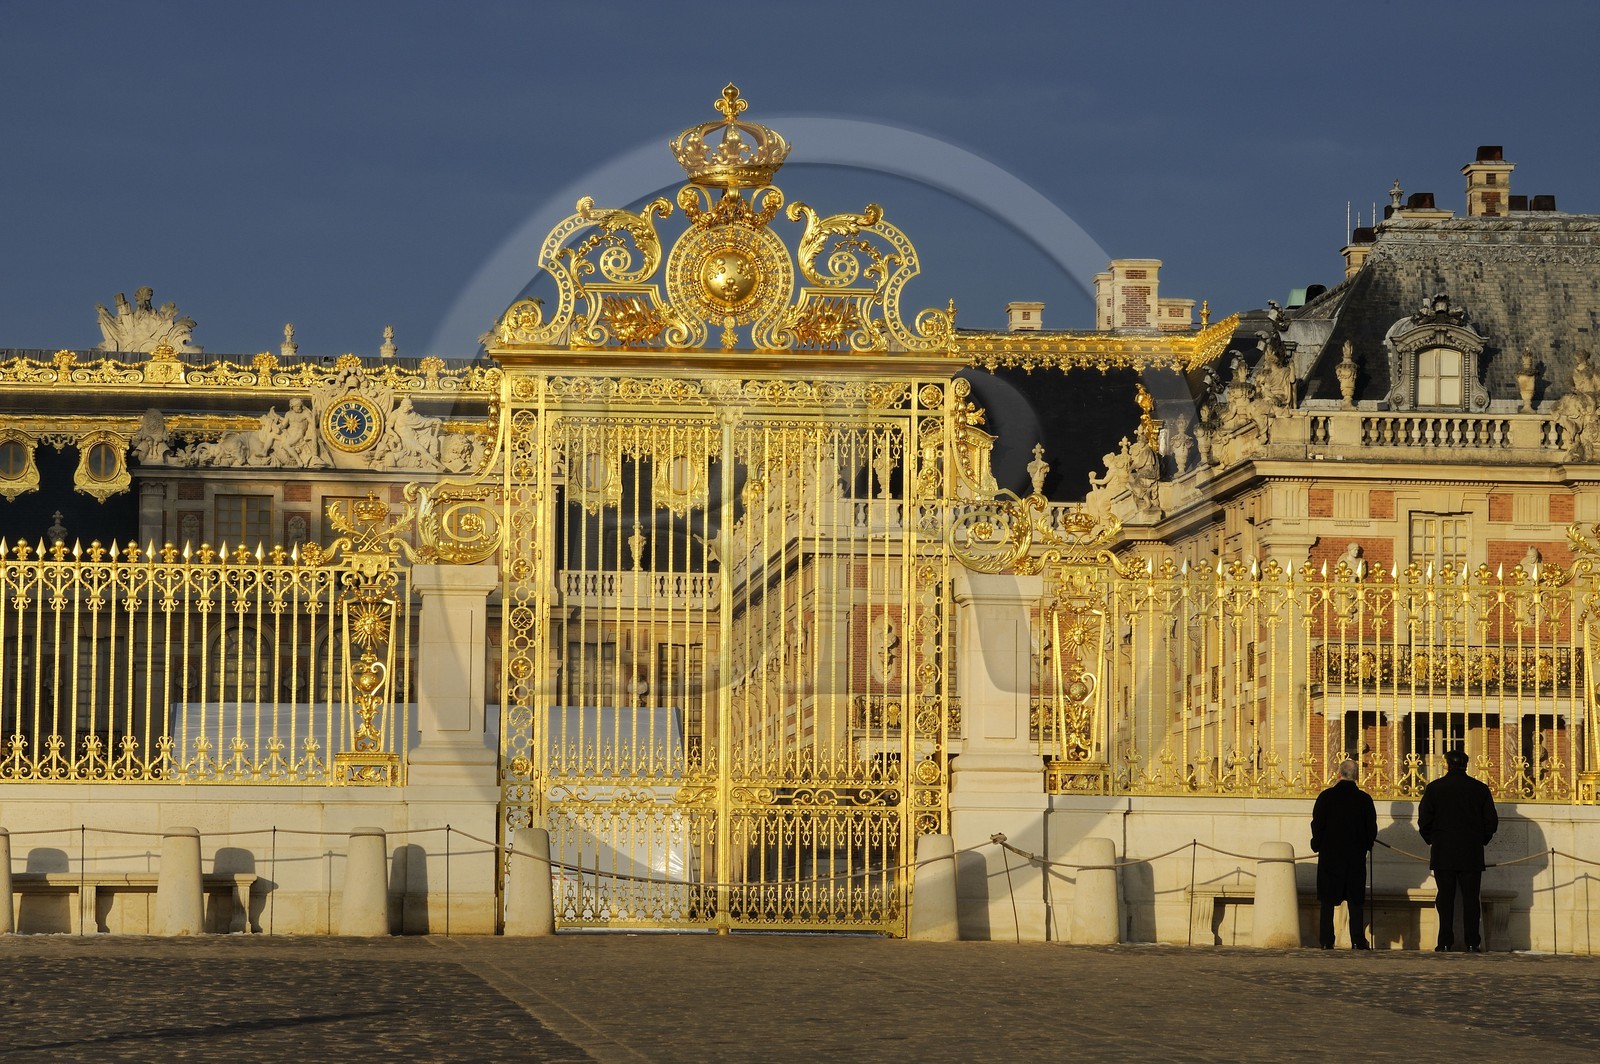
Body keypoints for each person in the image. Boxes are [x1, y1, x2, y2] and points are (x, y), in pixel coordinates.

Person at [1418, 748, 1499, 952]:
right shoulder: (1479, 789)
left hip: (1443, 851)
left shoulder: (1435, 788)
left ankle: (1445, 941)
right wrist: (1481, 840)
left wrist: (1432, 840)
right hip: (1471, 852)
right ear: (1466, 764)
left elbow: (1424, 820)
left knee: (1445, 899)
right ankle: (1472, 941)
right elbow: (1491, 821)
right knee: (1471, 900)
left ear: (1446, 764)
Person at [1310, 758, 1378, 949]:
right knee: (1355, 900)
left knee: (1327, 901)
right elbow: (1370, 829)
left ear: (1339, 774)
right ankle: (1357, 939)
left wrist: (1317, 844)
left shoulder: (1326, 797)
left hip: (1330, 856)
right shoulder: (1364, 799)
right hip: (1354, 857)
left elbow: (1317, 825)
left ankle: (1326, 940)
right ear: (1356, 776)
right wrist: (1365, 844)